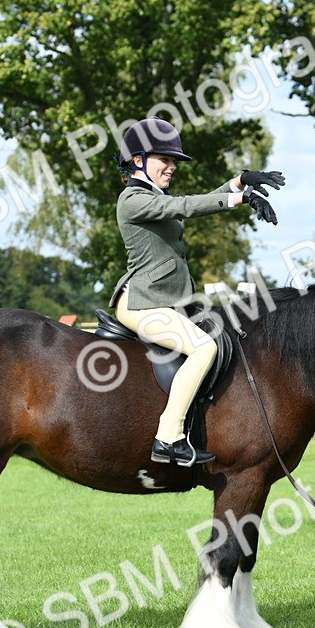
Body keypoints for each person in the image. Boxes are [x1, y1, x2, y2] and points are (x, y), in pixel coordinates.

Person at [110, 116, 282, 466]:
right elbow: (185, 206)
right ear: (138, 160)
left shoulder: (155, 196)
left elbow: (188, 203)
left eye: (173, 161)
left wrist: (239, 181)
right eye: (165, 160)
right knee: (204, 348)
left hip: (166, 301)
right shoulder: (132, 200)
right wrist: (239, 200)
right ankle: (168, 437)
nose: (172, 167)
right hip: (141, 303)